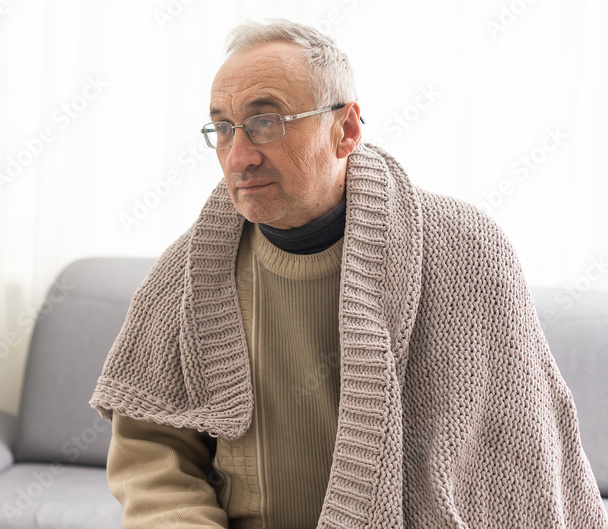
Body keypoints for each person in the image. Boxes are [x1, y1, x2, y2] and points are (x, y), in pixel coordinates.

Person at [89, 18, 607, 529]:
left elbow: (521, 454)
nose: (238, 157)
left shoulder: (467, 248)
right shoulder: (185, 273)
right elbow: (154, 450)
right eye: (223, 128)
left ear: (347, 129)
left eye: (265, 122)